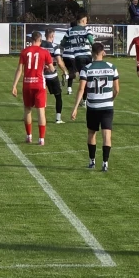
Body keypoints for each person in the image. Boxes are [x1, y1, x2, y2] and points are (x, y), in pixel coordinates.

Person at [70, 42, 119, 171]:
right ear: (103, 52)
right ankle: (105, 163)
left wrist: (75, 108)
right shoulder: (112, 67)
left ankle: (92, 161)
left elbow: (81, 89)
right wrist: (110, 99)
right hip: (107, 106)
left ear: (92, 53)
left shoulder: (86, 69)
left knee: (92, 133)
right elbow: (117, 90)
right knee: (106, 135)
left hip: (93, 107)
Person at [12, 30, 50, 145]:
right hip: (39, 84)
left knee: (27, 110)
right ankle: (41, 139)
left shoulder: (24, 52)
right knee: (41, 112)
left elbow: (20, 70)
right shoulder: (45, 52)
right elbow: (51, 68)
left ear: (31, 40)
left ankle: (29, 136)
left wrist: (14, 85)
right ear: (40, 40)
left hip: (27, 84)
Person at [62, 15, 95, 95]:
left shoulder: (70, 31)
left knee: (83, 78)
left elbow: (62, 43)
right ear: (83, 20)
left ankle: (83, 99)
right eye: (86, 20)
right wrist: (96, 50)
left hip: (78, 57)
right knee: (89, 77)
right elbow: (91, 40)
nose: (87, 22)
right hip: (88, 56)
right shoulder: (87, 29)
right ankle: (87, 97)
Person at [40, 28, 66, 124]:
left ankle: (35, 115)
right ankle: (58, 118)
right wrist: (65, 71)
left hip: (41, 75)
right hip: (51, 75)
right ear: (52, 36)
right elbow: (59, 61)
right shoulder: (55, 47)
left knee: (40, 96)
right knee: (58, 96)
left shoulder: (40, 45)